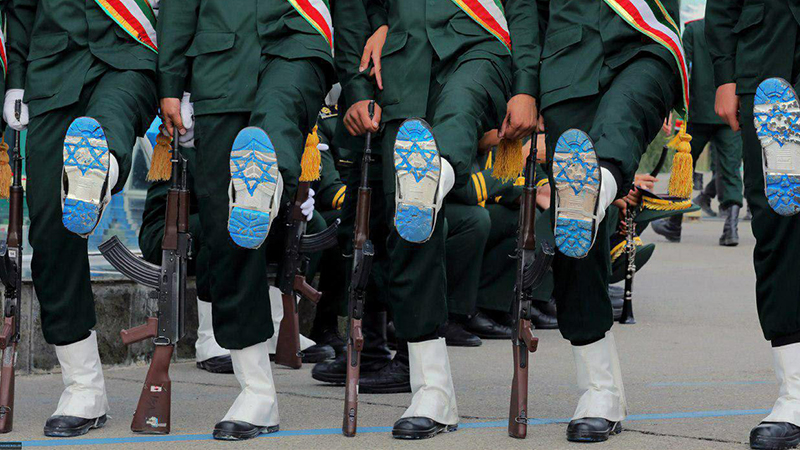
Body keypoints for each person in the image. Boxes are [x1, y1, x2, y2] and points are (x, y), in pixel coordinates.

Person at [336, 0, 539, 439]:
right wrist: (356, 87)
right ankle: (434, 392)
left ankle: (434, 174)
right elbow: (354, 9)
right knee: (409, 232)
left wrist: (526, 85)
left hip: (478, 44)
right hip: (400, 67)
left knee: (456, 116)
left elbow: (522, 7)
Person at [157, 0, 333, 440]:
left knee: (270, 136)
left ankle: (263, 183)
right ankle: (256, 391)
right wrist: (172, 84)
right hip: (219, 64)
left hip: (298, 35)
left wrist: (361, 83)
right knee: (228, 232)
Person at [4, 0, 158, 437]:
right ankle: (84, 387)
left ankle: (99, 170)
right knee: (51, 229)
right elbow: (20, 7)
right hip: (53, 68)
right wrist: (15, 81)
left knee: (107, 124)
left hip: (130, 52)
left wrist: (183, 86)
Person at [534, 0, 686, 442]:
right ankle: (600, 392)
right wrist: (524, 86)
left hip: (646, 43)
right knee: (574, 241)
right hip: (566, 64)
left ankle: (592, 192)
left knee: (610, 141)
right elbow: (526, 13)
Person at [706, 2, 800, 449]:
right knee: (777, 224)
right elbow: (722, 8)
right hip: (764, 70)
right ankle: (794, 394)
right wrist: (725, 76)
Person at [651, 17, 744, 247]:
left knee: (683, 169)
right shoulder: (735, 27)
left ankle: (674, 224)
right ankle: (731, 229)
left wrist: (671, 105)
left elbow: (682, 69)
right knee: (731, 171)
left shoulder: (693, 29)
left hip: (698, 111)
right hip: (729, 112)